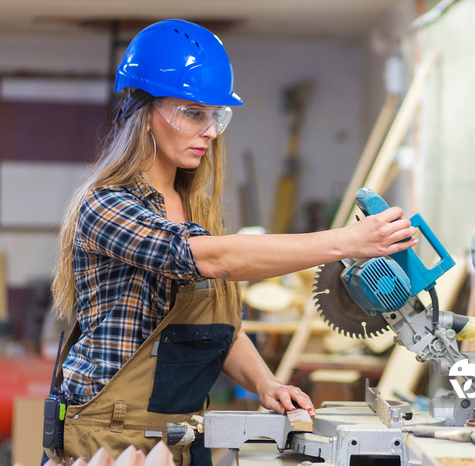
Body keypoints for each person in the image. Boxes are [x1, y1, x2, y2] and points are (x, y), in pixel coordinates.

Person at [45, 19, 418, 465]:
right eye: (192, 112)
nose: (210, 131)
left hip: (176, 436)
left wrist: (266, 384)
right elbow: (212, 259)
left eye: (216, 115)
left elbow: (219, 329)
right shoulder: (105, 205)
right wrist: (346, 242)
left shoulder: (198, 209)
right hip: (105, 439)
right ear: (145, 114)